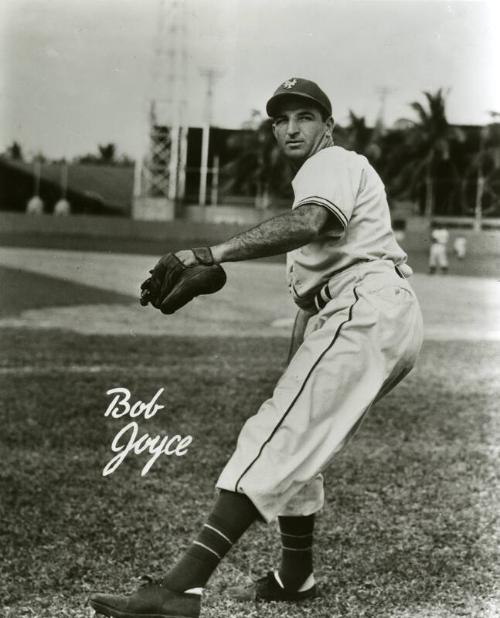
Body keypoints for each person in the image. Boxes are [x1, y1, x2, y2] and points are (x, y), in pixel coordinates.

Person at [90, 78, 424, 618]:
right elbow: (316, 287)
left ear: (327, 126)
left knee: (278, 433)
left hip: (365, 305)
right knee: (304, 437)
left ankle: (180, 590)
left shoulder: (330, 163)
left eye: (304, 117)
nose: (291, 128)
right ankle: (296, 576)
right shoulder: (329, 174)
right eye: (281, 120)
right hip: (372, 311)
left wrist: (210, 252)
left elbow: (311, 221)